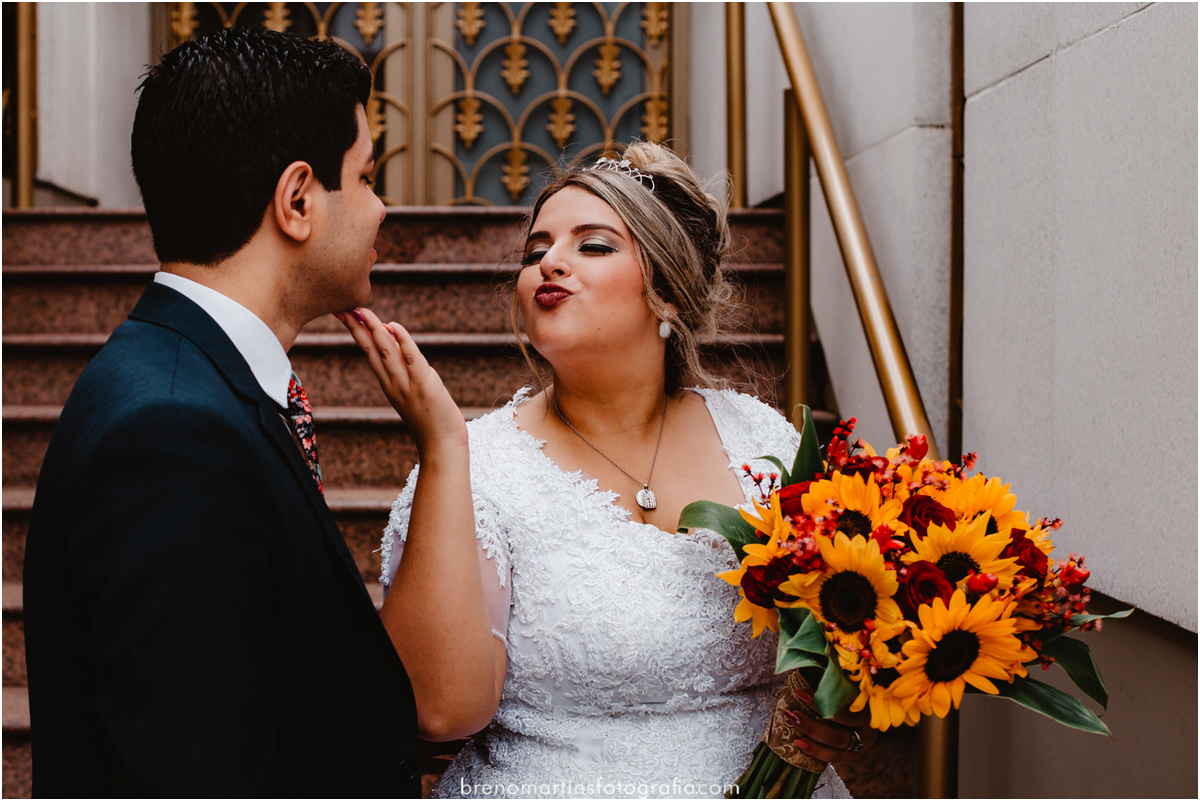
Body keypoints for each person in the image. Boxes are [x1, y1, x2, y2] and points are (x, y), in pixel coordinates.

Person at [341, 142, 872, 798]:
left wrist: (836, 704)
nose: (550, 263)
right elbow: (441, 709)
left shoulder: (762, 439)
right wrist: (443, 449)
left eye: (592, 245)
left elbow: (845, 628)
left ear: (667, 295)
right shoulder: (474, 469)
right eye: (536, 250)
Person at [22, 27, 446, 796]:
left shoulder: (180, 379)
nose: (383, 208)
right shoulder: (175, 434)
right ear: (296, 200)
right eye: (367, 176)